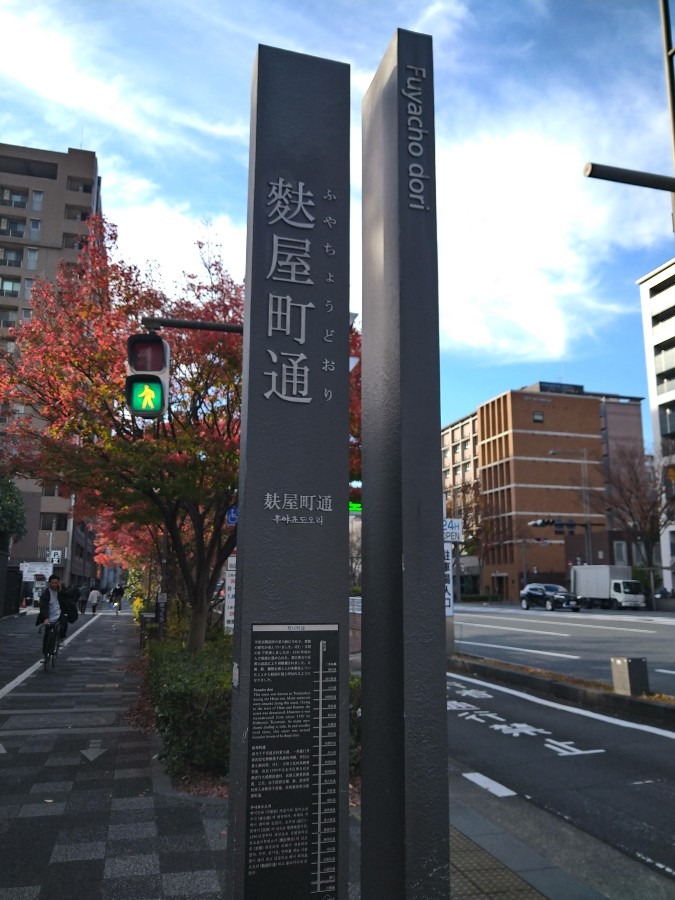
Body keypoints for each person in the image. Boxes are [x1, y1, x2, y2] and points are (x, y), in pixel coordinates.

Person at [36, 575, 76, 654]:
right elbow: (43, 606)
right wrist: (46, 618)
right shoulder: (46, 593)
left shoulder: (61, 590)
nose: (54, 585)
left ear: (58, 583)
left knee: (64, 622)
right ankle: (45, 654)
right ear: (49, 583)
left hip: (59, 612)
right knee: (47, 635)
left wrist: (61, 590)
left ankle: (61, 638)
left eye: (56, 583)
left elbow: (70, 595)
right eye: (52, 583)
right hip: (48, 614)